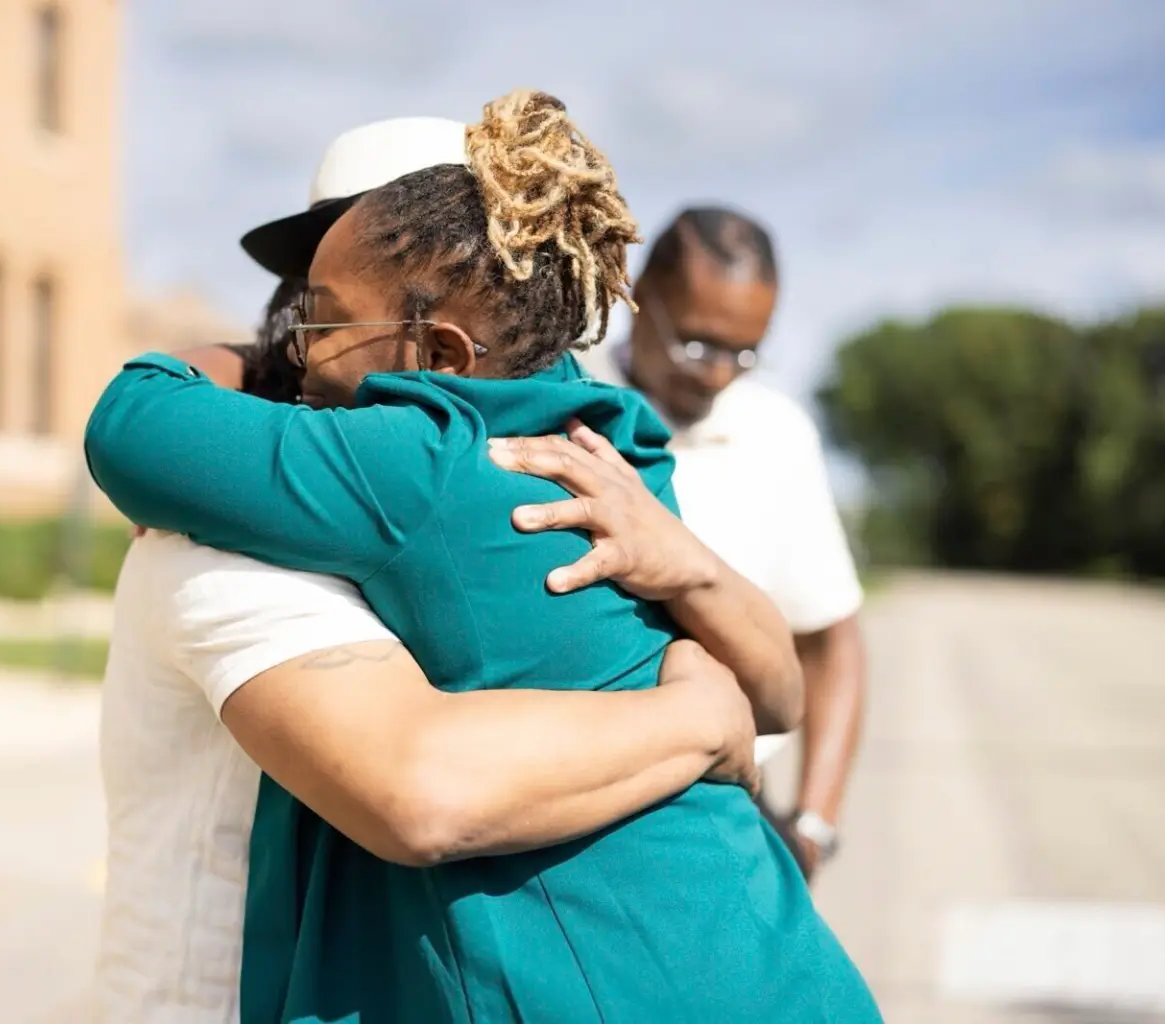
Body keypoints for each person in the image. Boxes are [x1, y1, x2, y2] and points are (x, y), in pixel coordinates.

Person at [88, 90, 879, 1022]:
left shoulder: (410, 463)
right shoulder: (617, 444)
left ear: (444, 345)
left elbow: (132, 421)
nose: (304, 350)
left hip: (628, 978)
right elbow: (778, 693)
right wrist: (705, 711)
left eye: (325, 317)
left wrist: (231, 375)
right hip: (773, 958)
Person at [577, 207, 868, 880]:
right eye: (699, 345)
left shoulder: (778, 433)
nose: (717, 376)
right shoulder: (566, 387)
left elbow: (832, 640)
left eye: (745, 354)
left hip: (727, 810)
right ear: (638, 295)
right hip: (570, 799)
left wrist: (815, 826)